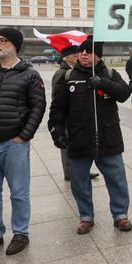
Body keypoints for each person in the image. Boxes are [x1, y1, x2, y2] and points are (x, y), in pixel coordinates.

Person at [0, 28, 46, 257]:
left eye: (3, 41)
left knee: (19, 193)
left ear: (14, 45)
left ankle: (21, 233)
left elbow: (38, 107)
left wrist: (24, 136)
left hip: (13, 144)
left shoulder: (29, 74)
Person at [49, 37, 132, 234]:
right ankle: (86, 216)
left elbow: (124, 93)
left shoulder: (110, 73)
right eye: (81, 51)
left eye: (88, 51)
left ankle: (120, 215)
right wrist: (57, 130)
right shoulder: (67, 76)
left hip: (108, 138)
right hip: (78, 139)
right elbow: (58, 108)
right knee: (79, 182)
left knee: (117, 179)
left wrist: (103, 83)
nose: (84, 54)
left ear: (98, 56)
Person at [49, 45, 99, 181]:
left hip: (76, 116)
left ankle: (80, 171)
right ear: (69, 57)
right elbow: (57, 97)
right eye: (76, 55)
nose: (79, 57)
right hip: (66, 117)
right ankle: (69, 173)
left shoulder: (73, 71)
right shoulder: (61, 73)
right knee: (66, 146)